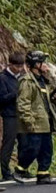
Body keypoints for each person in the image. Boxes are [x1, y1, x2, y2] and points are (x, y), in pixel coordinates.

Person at [15, 52, 56, 183]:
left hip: (45, 122)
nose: (46, 66)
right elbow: (23, 103)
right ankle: (20, 170)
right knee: (33, 149)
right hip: (35, 123)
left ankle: (43, 174)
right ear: (36, 64)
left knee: (47, 149)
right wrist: (29, 122)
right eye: (43, 63)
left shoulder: (43, 80)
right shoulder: (27, 81)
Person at [0, 50, 21, 185]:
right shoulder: (3, 78)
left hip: (22, 114)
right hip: (9, 114)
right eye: (17, 66)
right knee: (9, 143)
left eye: (21, 66)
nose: (20, 69)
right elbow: (2, 99)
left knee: (25, 142)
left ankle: (21, 169)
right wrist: (15, 94)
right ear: (10, 65)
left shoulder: (22, 78)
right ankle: (5, 171)